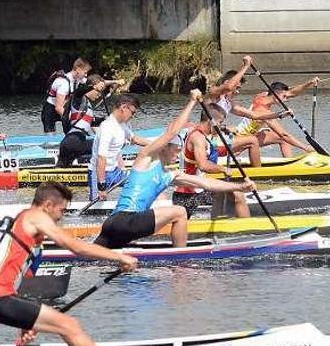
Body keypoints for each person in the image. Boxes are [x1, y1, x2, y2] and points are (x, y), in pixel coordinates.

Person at [0, 181, 138, 346]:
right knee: (69, 326)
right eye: (62, 211)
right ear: (47, 205)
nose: (61, 217)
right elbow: (75, 246)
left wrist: (26, 322)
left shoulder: (17, 224)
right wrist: (120, 257)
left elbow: (9, 279)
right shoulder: (36, 216)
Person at [94, 91, 255, 249]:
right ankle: (181, 259)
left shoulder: (171, 175)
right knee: (180, 212)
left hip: (119, 226)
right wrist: (192, 101)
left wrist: (239, 187)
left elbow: (207, 183)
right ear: (164, 147)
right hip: (125, 219)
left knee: (90, 257)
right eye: (176, 149)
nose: (179, 152)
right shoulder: (145, 159)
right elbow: (172, 131)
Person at [174, 102, 257, 219]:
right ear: (210, 121)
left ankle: (218, 223)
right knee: (238, 195)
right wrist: (223, 169)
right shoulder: (198, 138)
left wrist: (231, 150)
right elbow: (203, 165)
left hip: (195, 189)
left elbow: (211, 153)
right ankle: (249, 229)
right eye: (220, 123)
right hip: (188, 195)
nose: (221, 126)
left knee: (221, 191)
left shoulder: (200, 134)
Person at [88, 94, 151, 201]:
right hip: (99, 174)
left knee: (142, 182)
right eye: (133, 112)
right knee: (96, 209)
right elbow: (101, 158)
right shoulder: (107, 127)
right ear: (123, 107)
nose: (133, 116)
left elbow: (135, 139)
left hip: (115, 172)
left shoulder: (121, 124)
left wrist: (159, 144)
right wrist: (101, 186)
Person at [234, 78, 319, 157]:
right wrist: (305, 147)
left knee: (282, 140)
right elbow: (284, 134)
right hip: (243, 138)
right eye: (284, 97)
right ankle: (292, 167)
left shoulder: (261, 96)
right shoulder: (264, 112)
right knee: (283, 138)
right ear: (276, 94)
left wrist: (309, 83)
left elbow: (291, 93)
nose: (286, 99)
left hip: (251, 134)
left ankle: (290, 164)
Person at [57, 75, 125, 167]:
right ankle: (109, 170)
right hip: (75, 142)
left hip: (68, 143)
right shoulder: (80, 100)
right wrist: (93, 87)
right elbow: (78, 92)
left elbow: (93, 121)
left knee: (61, 172)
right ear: (91, 88)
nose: (99, 95)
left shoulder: (87, 107)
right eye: (98, 91)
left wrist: (106, 120)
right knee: (110, 144)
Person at [41, 58, 92, 135]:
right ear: (78, 69)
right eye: (85, 73)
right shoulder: (63, 83)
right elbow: (58, 108)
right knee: (50, 137)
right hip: (50, 110)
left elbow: (96, 83)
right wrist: (73, 119)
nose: (86, 75)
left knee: (72, 132)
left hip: (65, 108)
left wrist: (115, 82)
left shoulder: (79, 79)